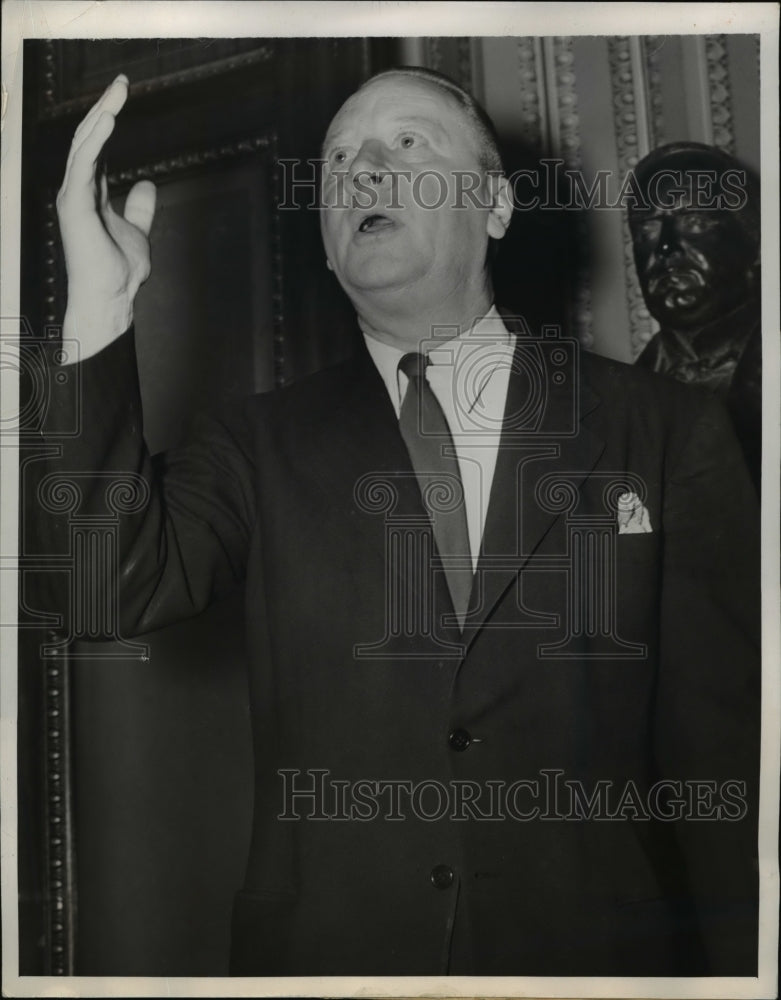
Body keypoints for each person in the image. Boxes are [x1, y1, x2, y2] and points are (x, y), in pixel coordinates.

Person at [43, 67, 759, 976]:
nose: (361, 170)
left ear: (495, 205)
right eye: (339, 157)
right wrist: (99, 309)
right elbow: (103, 589)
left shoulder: (663, 431)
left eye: (407, 144)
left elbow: (724, 774)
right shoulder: (255, 445)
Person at [628, 141, 762, 491]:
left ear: (754, 243)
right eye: (647, 230)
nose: (666, 247)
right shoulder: (612, 405)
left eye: (696, 221)